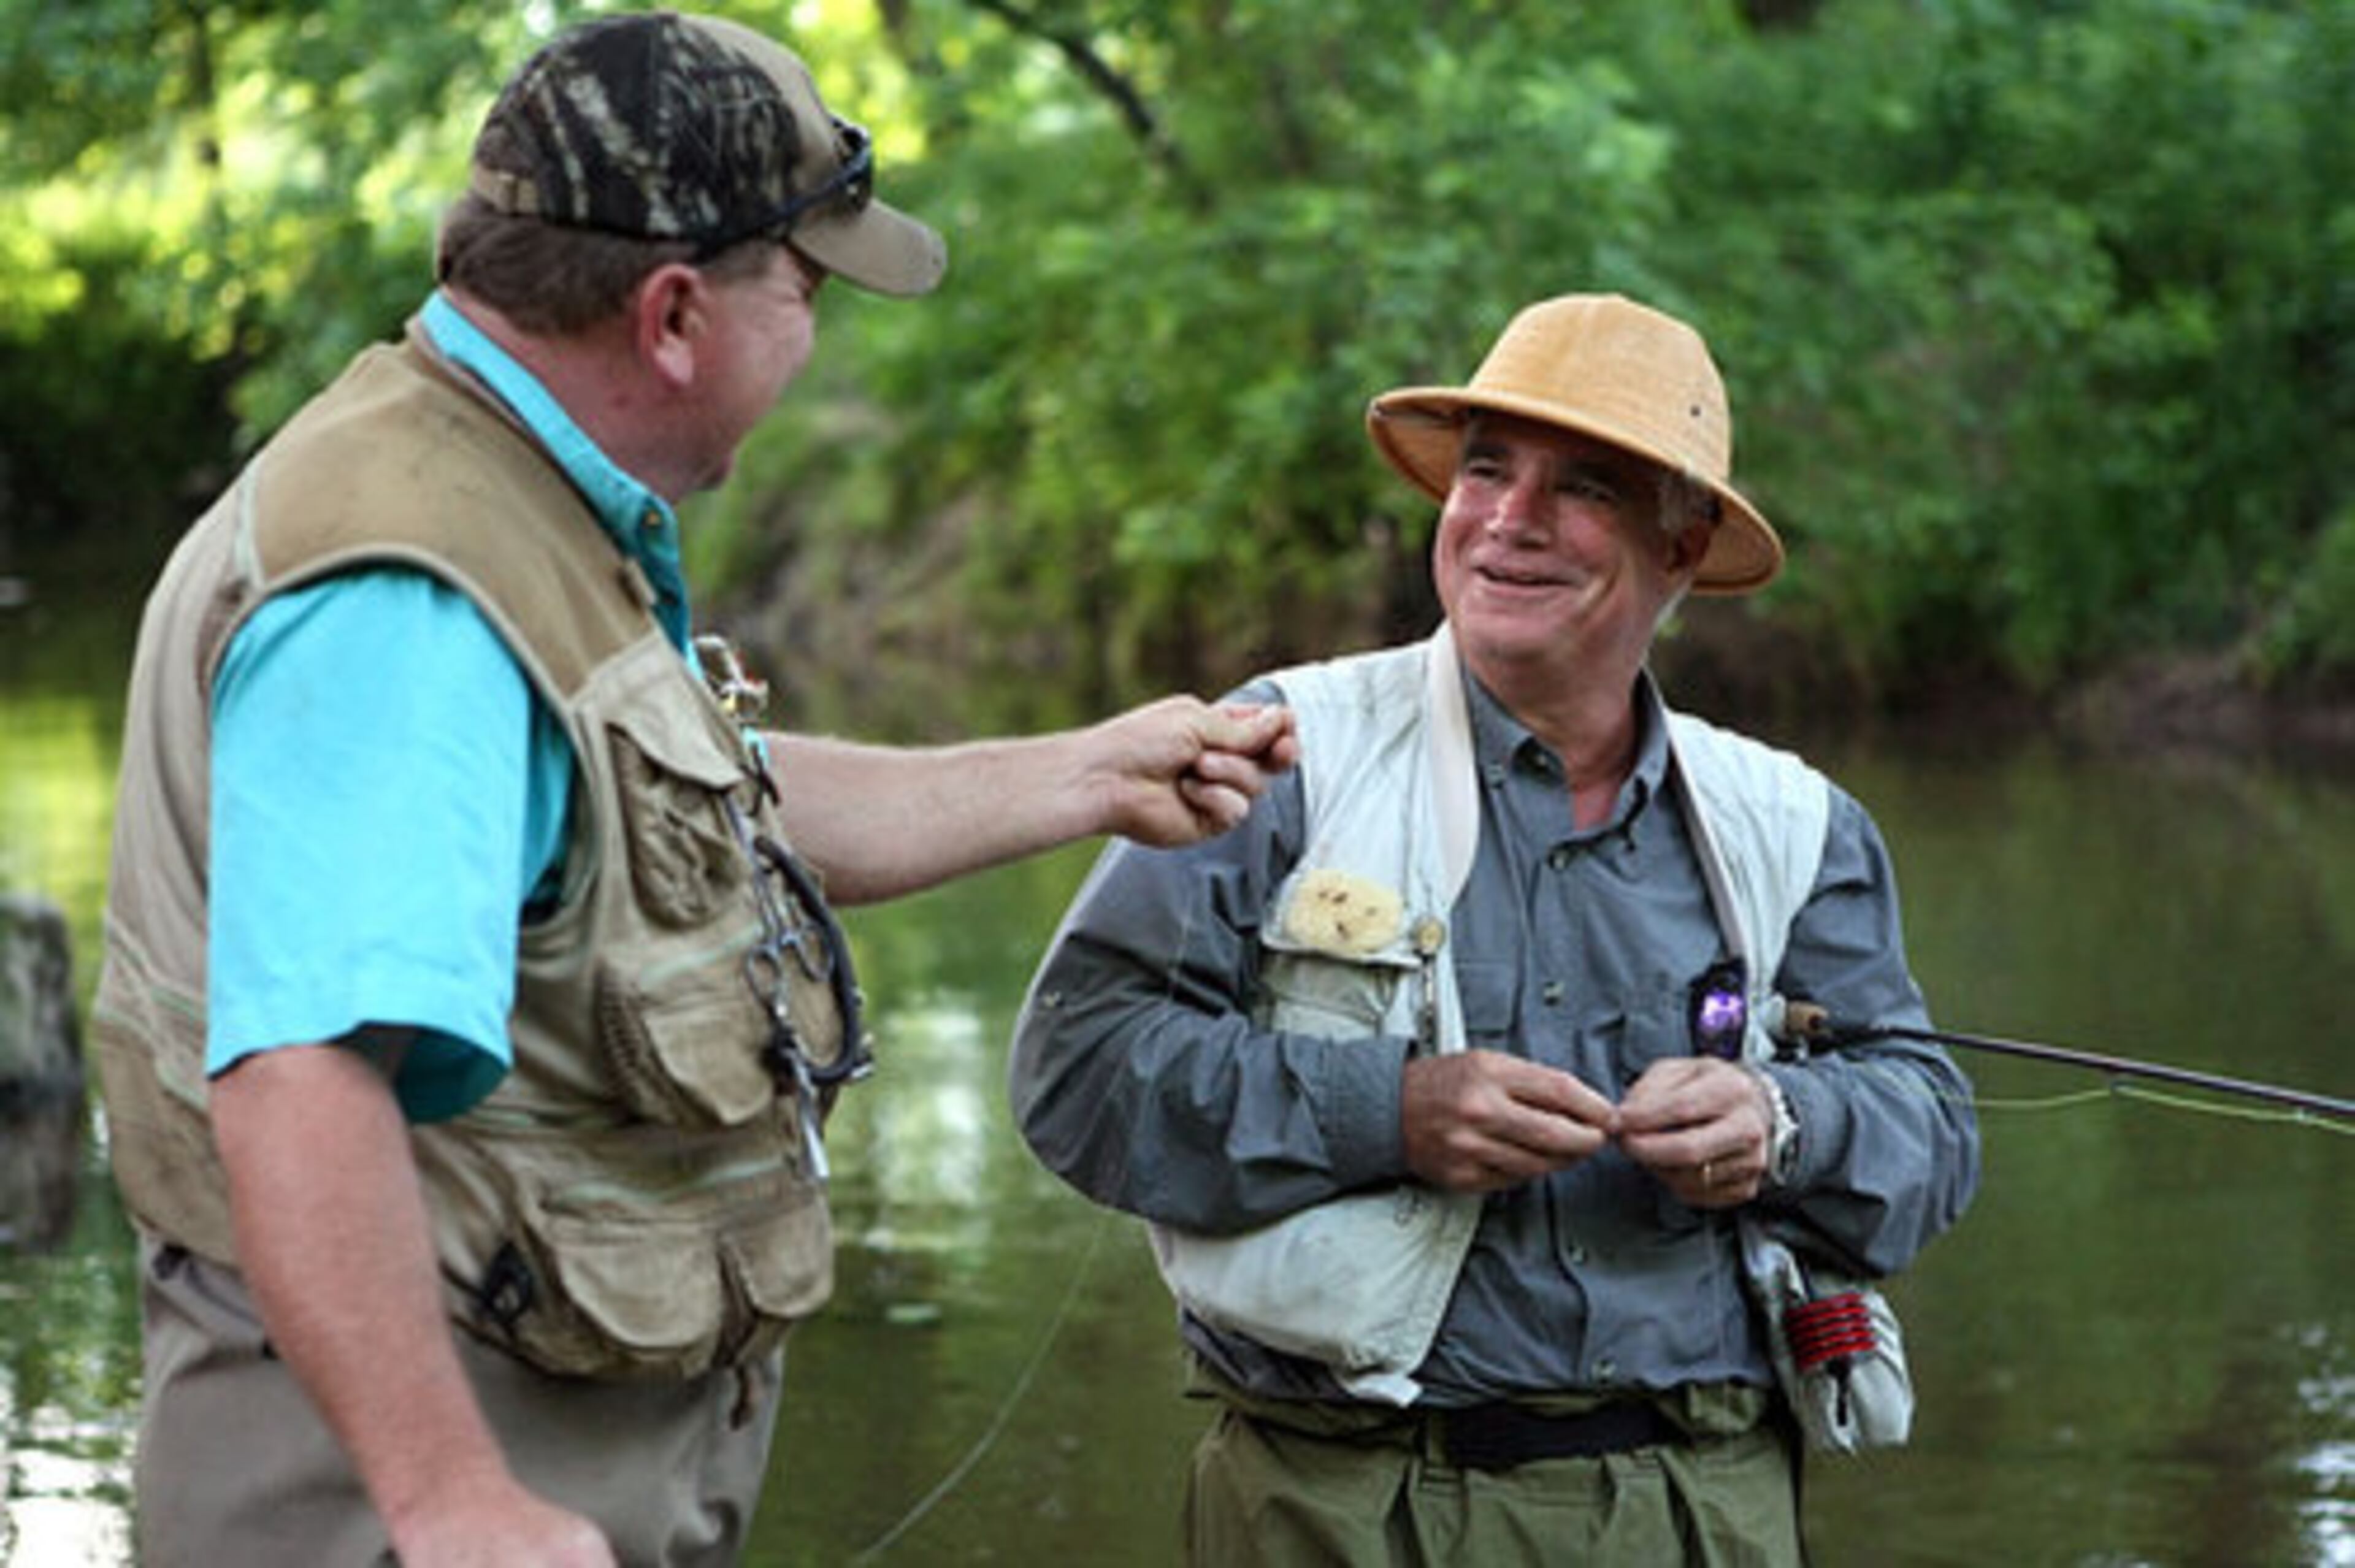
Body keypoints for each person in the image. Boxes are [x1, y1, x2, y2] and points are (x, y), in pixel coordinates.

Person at [88, 13, 1295, 1566]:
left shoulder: (511, 493)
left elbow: (683, 823)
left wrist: (1085, 772)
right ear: (672, 317)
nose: (817, 328)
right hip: (402, 1507)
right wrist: (453, 1500)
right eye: (803, 285)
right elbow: (301, 1075)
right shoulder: (415, 598)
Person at [1008, 292, 1982, 1565]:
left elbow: (1929, 1125)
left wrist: (1783, 1126)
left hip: (1706, 1508)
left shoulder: (1796, 823)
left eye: (1584, 488)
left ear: (1682, 549)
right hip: (1337, 1507)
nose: (1510, 520)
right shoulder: (1284, 754)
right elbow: (1079, 1066)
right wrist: (1392, 1112)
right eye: (1485, 470)